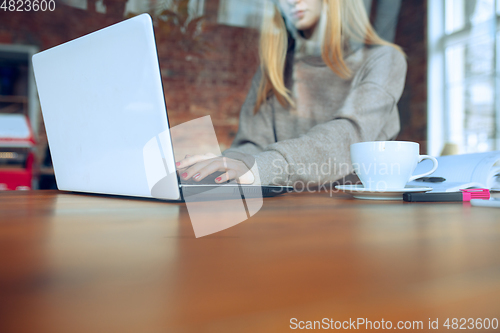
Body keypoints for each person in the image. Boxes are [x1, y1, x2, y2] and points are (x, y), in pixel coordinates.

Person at [176, 0, 407, 188]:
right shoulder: (276, 67)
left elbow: (349, 137)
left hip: (356, 212)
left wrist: (263, 168)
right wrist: (224, 166)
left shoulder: (384, 60)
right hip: (286, 211)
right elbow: (253, 144)